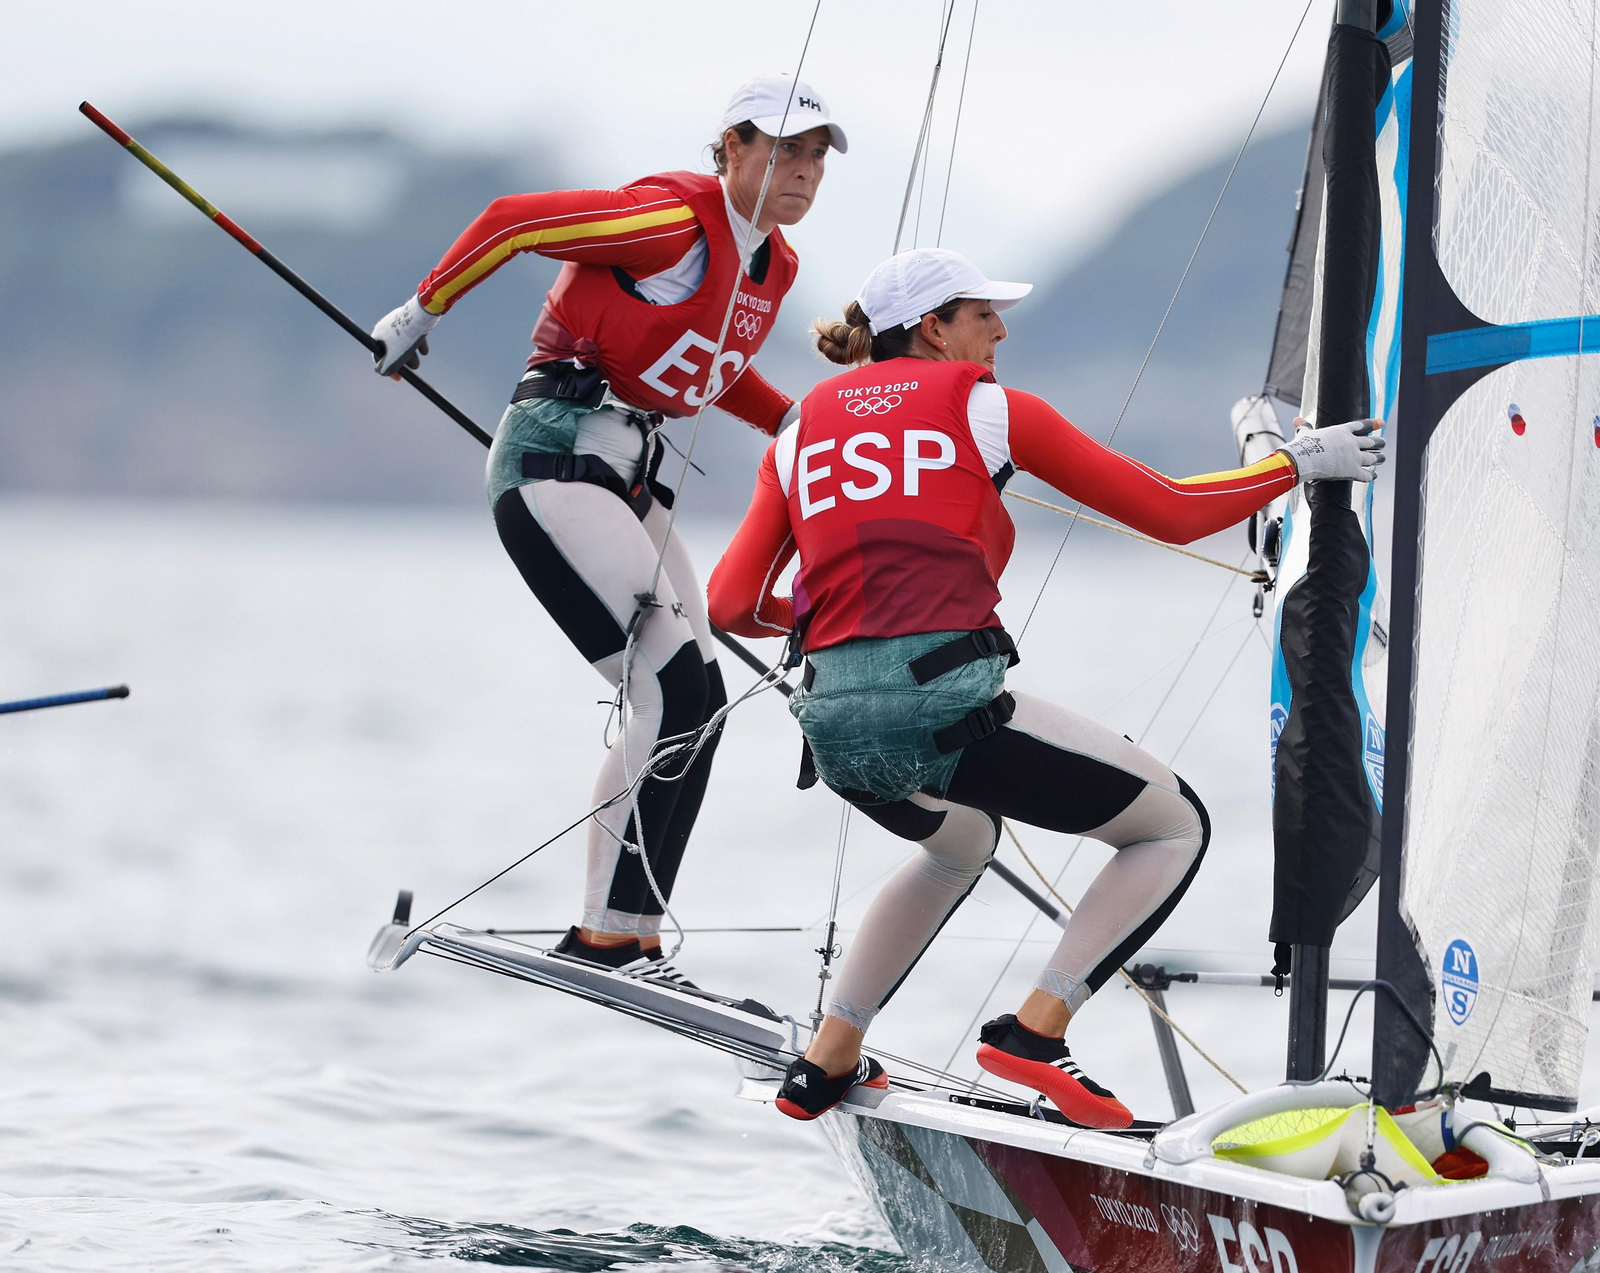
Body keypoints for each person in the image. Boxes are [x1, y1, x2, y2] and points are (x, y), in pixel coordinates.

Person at [707, 247, 1384, 1125]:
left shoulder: (797, 428)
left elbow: (729, 601)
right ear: (931, 328)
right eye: (982, 313)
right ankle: (1034, 1033)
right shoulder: (989, 409)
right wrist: (1298, 464)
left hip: (831, 726)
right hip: (944, 708)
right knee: (1173, 826)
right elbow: (1173, 510)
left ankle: (827, 1058)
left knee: (958, 844)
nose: (1000, 329)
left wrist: (832, 619)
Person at [369, 75, 847, 985]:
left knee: (697, 705)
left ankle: (632, 935)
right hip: (554, 461)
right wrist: (421, 310)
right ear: (733, 148)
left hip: (633, 478)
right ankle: (602, 935)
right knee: (671, 685)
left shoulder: (770, 263)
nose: (806, 170)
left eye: (820, 155)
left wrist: (795, 421)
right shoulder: (668, 222)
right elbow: (512, 219)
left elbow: (709, 366)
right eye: (787, 149)